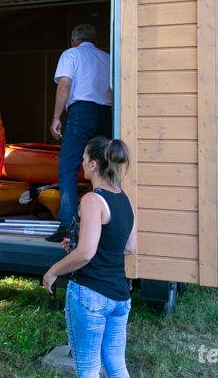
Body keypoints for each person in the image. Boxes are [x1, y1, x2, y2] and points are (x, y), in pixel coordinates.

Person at [42, 137, 136, 378]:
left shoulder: (93, 200)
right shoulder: (125, 200)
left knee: (88, 368)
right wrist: (76, 243)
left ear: (94, 165)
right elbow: (128, 246)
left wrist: (53, 271)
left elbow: (86, 253)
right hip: (119, 296)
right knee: (116, 365)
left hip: (91, 295)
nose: (82, 163)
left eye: (84, 159)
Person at [47, 24, 113, 242]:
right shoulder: (108, 57)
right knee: (103, 167)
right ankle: (104, 220)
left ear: (73, 40)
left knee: (68, 167)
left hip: (82, 111)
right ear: (94, 39)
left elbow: (64, 84)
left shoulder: (71, 54)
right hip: (106, 113)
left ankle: (67, 225)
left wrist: (56, 117)